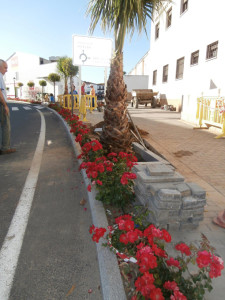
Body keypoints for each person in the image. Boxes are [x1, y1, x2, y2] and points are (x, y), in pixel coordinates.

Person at [0, 59, 16, 154]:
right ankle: (5, 148)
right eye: (5, 67)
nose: (6, 70)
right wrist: (5, 105)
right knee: (6, 125)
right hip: (1, 104)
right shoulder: (0, 76)